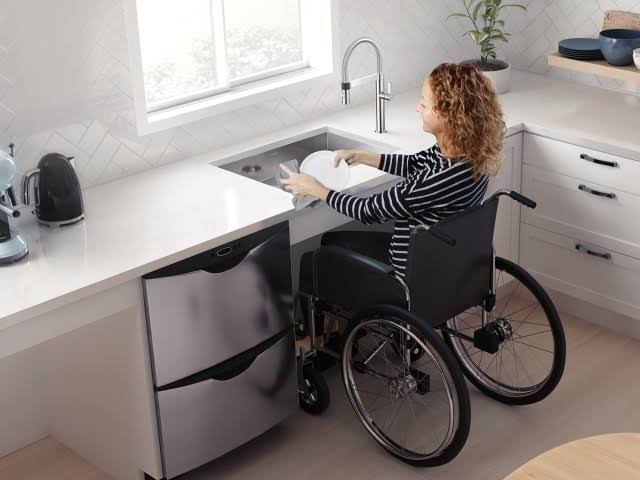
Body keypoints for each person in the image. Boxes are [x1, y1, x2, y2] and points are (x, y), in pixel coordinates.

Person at [281, 63, 506, 278]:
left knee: (322, 251)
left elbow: (367, 211)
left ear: (448, 115)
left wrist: (316, 189)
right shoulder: (466, 154)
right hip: (444, 263)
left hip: (410, 271)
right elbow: (415, 162)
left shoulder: (436, 180)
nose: (417, 107)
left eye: (424, 104)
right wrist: (362, 156)